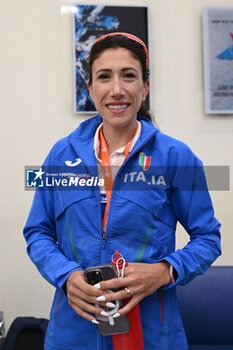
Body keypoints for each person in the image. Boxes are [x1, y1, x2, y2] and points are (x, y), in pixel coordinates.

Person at [23, 32, 221, 350]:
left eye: (129, 76)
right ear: (90, 88)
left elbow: (209, 238)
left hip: (152, 336)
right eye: (104, 77)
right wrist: (66, 275)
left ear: (145, 87)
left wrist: (165, 270)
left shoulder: (176, 158)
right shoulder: (60, 155)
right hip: (74, 335)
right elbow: (38, 231)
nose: (117, 89)